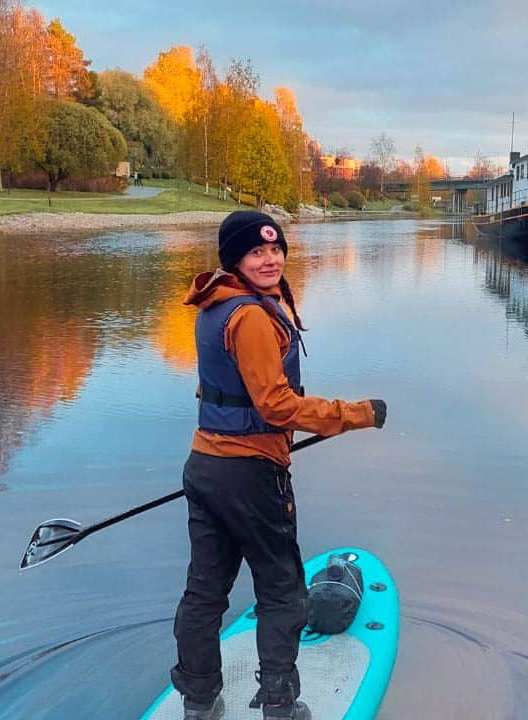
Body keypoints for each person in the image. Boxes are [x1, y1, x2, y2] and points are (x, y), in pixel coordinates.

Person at [172, 210, 386, 720]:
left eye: (275, 250)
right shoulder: (249, 317)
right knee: (281, 590)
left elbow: (216, 388)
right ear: (235, 261)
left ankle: (199, 701)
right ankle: (279, 704)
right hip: (250, 476)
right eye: (256, 252)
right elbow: (276, 405)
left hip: (205, 468)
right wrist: (356, 415)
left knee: (205, 591)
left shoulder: (214, 306)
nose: (270, 260)